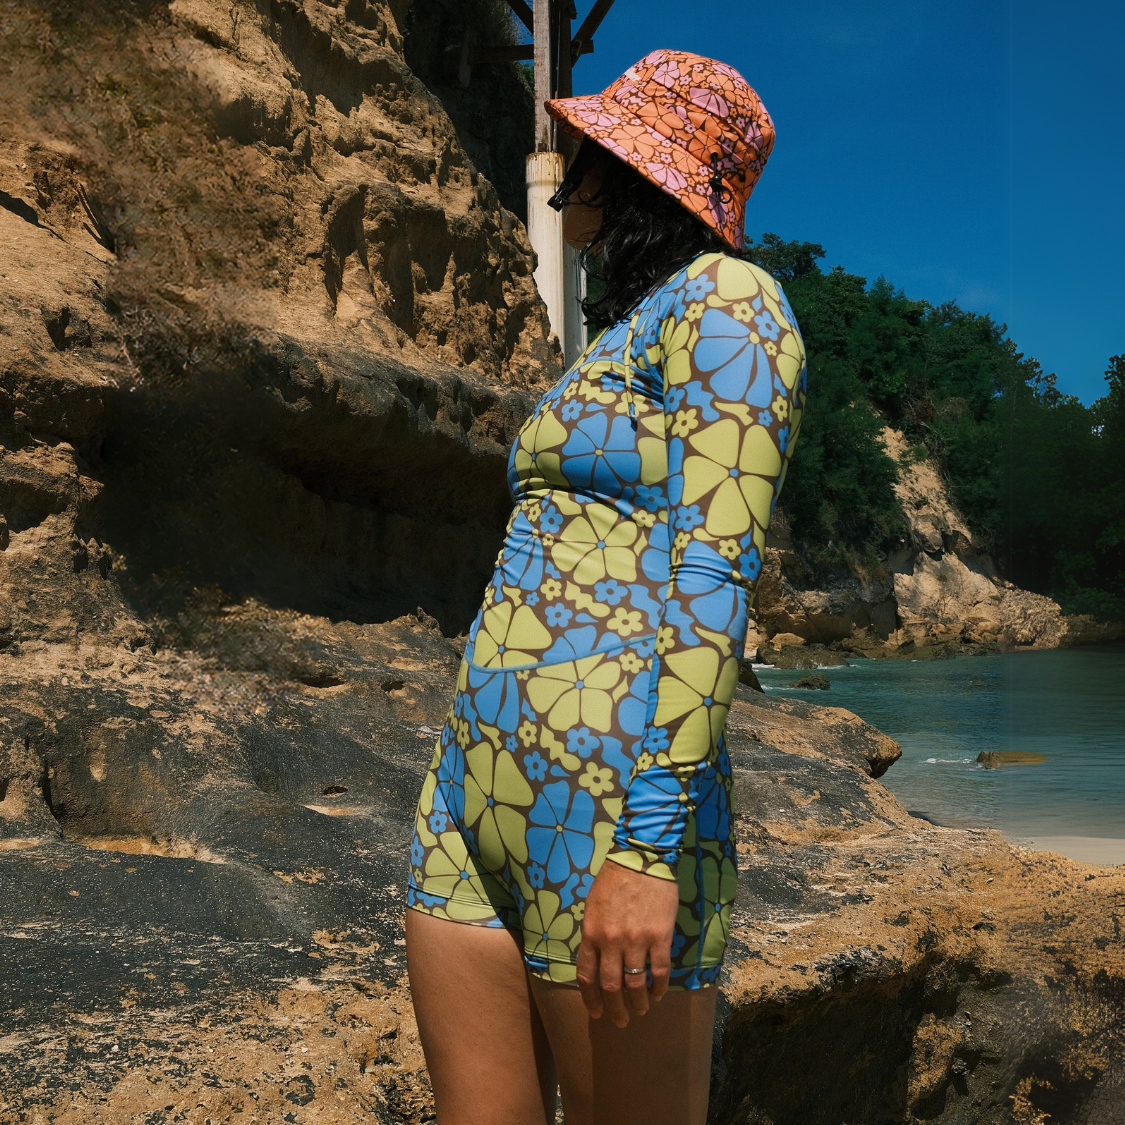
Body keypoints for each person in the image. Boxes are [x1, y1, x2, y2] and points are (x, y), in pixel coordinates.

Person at [404, 49, 807, 1125]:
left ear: (638, 168)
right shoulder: (617, 339)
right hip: (474, 795)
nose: (566, 159)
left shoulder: (736, 302)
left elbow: (716, 575)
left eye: (590, 143)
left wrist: (646, 850)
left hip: (615, 810)